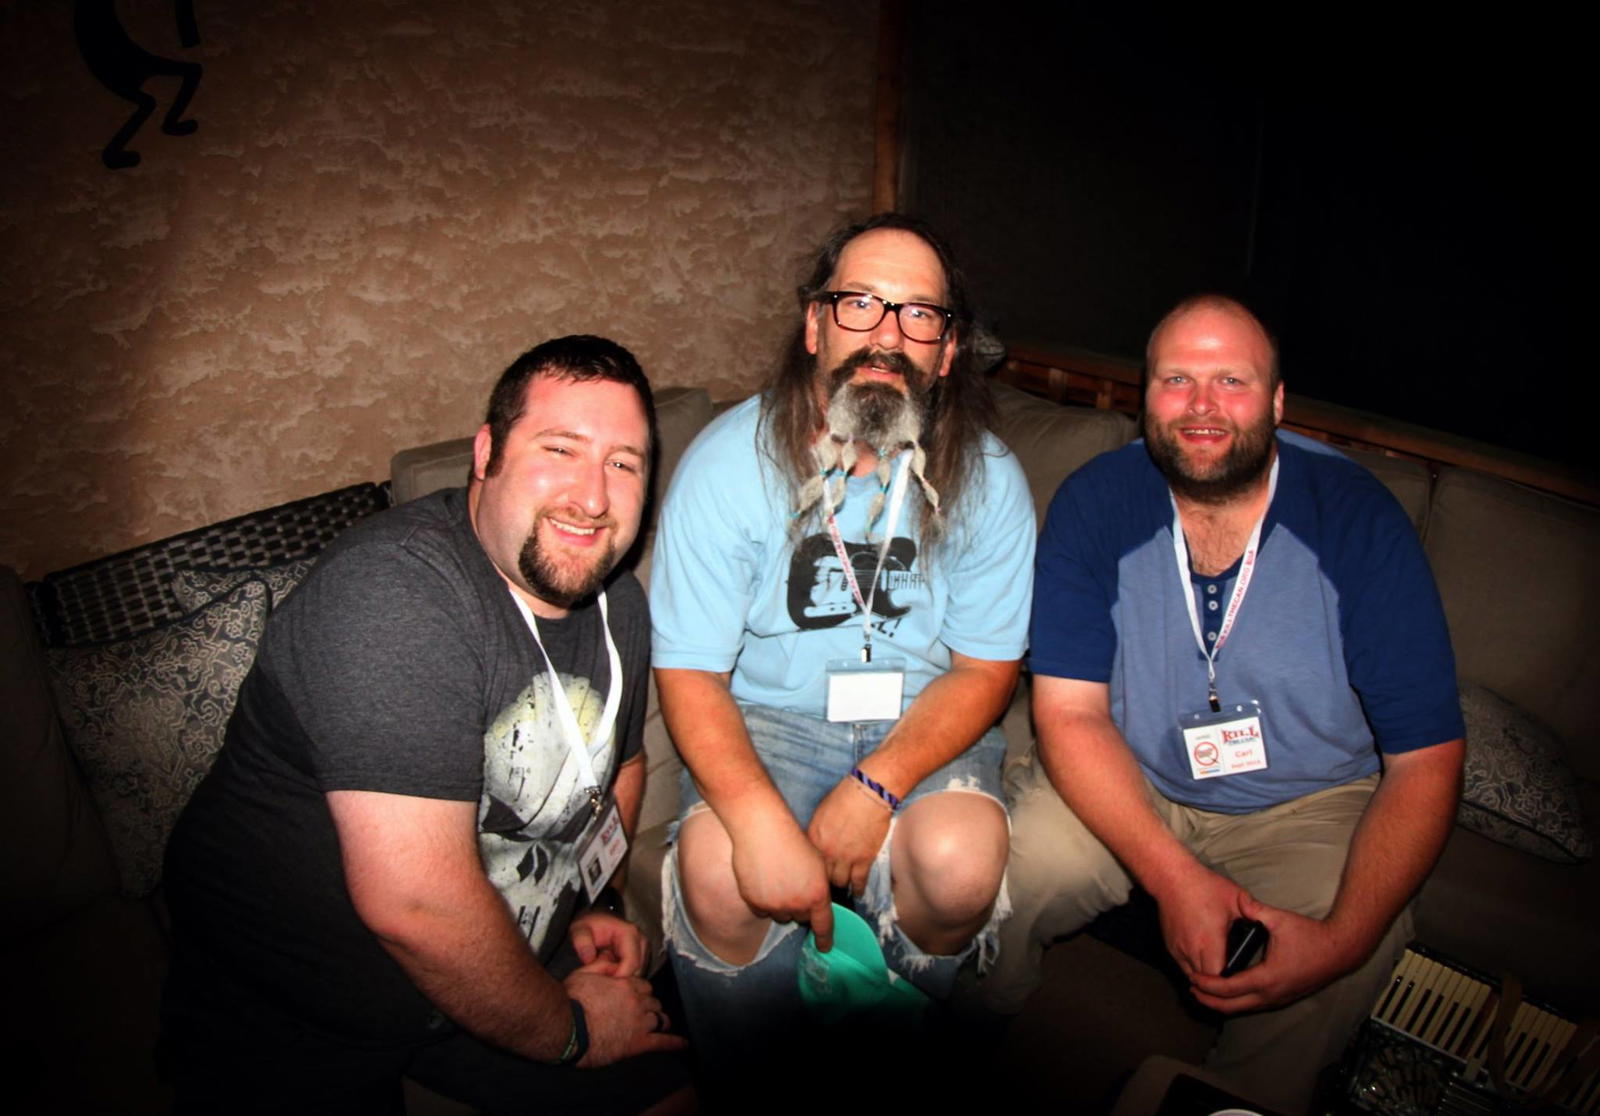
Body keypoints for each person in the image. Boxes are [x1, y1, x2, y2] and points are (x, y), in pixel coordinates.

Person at [161, 336, 690, 1115]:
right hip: (297, 1002)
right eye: (560, 449)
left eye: (624, 463)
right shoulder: (393, 596)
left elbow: (621, 766)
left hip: (492, 962)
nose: (592, 497)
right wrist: (573, 1033)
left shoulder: (620, 604)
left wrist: (593, 903)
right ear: (486, 454)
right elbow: (415, 905)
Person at [986, 295, 1465, 1113]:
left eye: (1231, 382)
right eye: (1177, 379)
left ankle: (1236, 1097)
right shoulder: (1096, 501)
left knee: (1343, 946)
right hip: (1130, 766)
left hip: (1308, 799)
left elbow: (1427, 760)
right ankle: (968, 1019)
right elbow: (1068, 714)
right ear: (1145, 395)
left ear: (1277, 402)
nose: (1201, 406)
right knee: (1013, 866)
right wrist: (1177, 880)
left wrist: (1343, 943)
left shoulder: (1357, 519)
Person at [649, 213, 1035, 1079]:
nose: (886, 336)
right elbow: (691, 670)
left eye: (918, 314)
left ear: (948, 349)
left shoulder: (991, 479)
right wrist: (756, 822)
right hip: (769, 719)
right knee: (722, 874)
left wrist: (877, 784)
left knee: (959, 866)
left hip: (923, 721)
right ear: (815, 324)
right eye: (860, 303)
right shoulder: (726, 465)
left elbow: (985, 670)